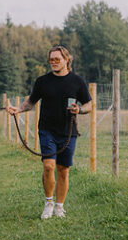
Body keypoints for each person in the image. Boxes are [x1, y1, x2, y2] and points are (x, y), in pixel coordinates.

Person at [6, 45, 91, 219]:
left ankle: (60, 206)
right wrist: (18, 109)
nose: (53, 62)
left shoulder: (77, 81)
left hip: (68, 131)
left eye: (57, 59)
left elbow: (89, 104)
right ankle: (49, 202)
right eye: (51, 60)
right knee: (48, 166)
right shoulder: (42, 81)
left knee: (63, 170)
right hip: (47, 130)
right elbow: (30, 102)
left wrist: (79, 110)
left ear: (66, 60)